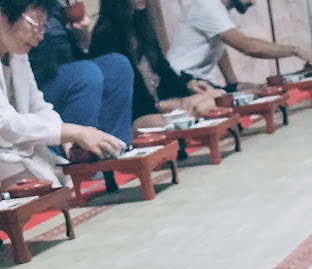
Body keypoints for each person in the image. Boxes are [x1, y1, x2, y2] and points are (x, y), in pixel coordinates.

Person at [0, 0, 124, 190]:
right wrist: (73, 132)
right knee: (46, 187)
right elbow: (5, 124)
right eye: (35, 24)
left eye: (44, 26)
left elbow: (38, 106)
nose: (40, 35)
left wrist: (65, 138)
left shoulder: (17, 52)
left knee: (62, 182)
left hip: (13, 147)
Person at [89, 0, 217, 132]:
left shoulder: (142, 27)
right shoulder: (105, 36)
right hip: (138, 117)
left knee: (216, 96)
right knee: (179, 119)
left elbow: (165, 72)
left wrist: (188, 84)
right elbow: (123, 100)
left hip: (164, 107)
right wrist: (161, 105)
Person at [27, 0, 134, 145]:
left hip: (67, 74)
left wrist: (81, 39)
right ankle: (81, 157)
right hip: (35, 82)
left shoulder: (56, 6)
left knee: (118, 66)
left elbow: (75, 56)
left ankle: (115, 150)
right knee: (85, 74)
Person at [167, 0, 312, 90]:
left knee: (261, 90)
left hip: (200, 82)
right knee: (264, 95)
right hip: (182, 83)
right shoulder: (207, 6)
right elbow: (248, 47)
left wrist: (234, 86)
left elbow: (219, 49)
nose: (253, 2)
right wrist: (296, 50)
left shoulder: (218, 8)